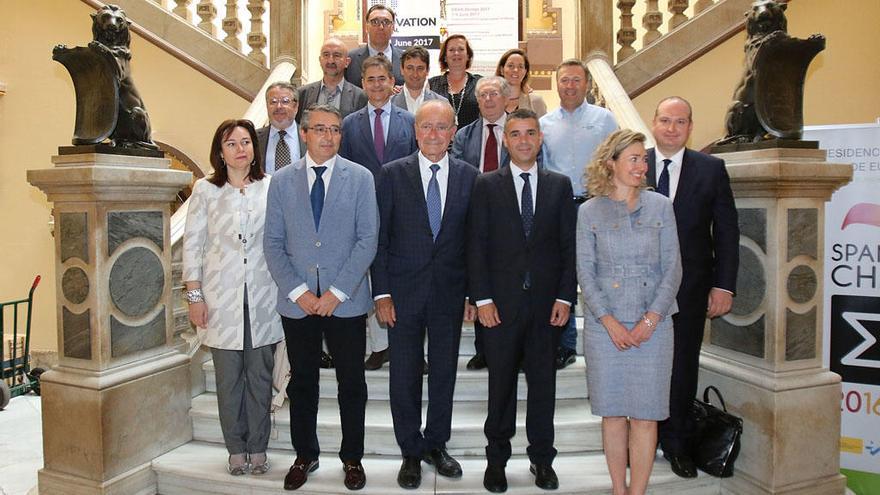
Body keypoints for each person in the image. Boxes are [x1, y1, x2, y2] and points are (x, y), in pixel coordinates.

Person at [263, 104, 379, 491]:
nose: (328, 136)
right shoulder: (280, 181)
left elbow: (367, 240)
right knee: (303, 383)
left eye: (334, 130)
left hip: (345, 302)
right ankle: (305, 454)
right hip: (298, 305)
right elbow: (273, 243)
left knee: (352, 384)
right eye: (320, 129)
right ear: (304, 133)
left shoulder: (360, 178)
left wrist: (336, 292)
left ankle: (352, 459)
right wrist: (299, 292)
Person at [468, 109, 576, 493]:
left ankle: (542, 460)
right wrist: (481, 299)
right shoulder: (485, 185)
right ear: (506, 140)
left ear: (540, 138)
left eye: (531, 133)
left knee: (543, 388)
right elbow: (476, 247)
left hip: (548, 308)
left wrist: (566, 296)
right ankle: (496, 460)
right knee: (501, 388)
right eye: (516, 134)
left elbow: (568, 248)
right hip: (500, 307)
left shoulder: (560, 186)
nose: (524, 140)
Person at [371, 99, 478, 489]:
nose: (434, 135)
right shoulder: (391, 174)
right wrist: (380, 292)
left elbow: (474, 242)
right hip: (401, 294)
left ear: (453, 133)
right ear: (416, 132)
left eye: (442, 127)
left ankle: (436, 443)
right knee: (404, 374)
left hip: (450, 293)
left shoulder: (470, 176)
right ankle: (410, 451)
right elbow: (379, 239)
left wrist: (473, 293)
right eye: (427, 127)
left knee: (445, 373)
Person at [576, 129, 683, 495]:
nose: (642, 165)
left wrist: (650, 320)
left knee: (645, 415)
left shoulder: (662, 207)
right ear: (612, 164)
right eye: (634, 158)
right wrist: (609, 322)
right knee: (613, 414)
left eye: (644, 159)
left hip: (654, 327)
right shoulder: (589, 211)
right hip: (604, 329)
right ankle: (618, 490)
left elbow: (673, 269)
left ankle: (637, 491)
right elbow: (585, 273)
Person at [183, 119, 283, 477]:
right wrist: (195, 296)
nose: (241, 149)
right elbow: (192, 246)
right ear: (220, 152)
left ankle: (258, 447)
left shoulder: (271, 187)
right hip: (220, 299)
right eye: (232, 143)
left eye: (246, 142)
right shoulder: (205, 191)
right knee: (228, 382)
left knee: (259, 378)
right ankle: (235, 449)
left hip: (263, 297)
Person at [647, 96, 739, 479]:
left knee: (682, 367)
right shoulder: (633, 163)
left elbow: (727, 232)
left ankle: (678, 444)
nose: (672, 128)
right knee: (645, 367)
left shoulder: (711, 169)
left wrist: (724, 286)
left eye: (680, 121)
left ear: (690, 127)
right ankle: (643, 440)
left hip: (691, 288)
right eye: (665, 120)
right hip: (640, 289)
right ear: (653, 123)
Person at [339, 55, 418, 370]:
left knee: (402, 279)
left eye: (381, 78)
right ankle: (378, 347)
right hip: (362, 213)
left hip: (402, 212)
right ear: (363, 84)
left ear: (392, 82)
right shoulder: (348, 124)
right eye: (370, 79)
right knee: (368, 279)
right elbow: (342, 172)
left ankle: (409, 348)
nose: (376, 84)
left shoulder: (410, 122)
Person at [541, 58, 618, 370]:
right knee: (563, 273)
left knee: (599, 272)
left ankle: (606, 338)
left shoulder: (605, 119)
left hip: (596, 203)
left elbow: (616, 160)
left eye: (575, 80)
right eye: (564, 80)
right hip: (559, 206)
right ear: (556, 84)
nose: (569, 86)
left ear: (586, 84)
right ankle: (566, 343)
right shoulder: (544, 124)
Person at [450, 75, 512, 371]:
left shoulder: (519, 130)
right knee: (479, 281)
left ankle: (511, 346)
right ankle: (482, 349)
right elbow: (459, 174)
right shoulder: (464, 135)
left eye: (493, 94)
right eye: (483, 95)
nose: (488, 100)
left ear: (505, 98)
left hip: (512, 217)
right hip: (476, 216)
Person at [295, 37, 368, 124]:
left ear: (347, 62)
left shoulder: (361, 97)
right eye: (326, 55)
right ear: (320, 60)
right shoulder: (302, 94)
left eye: (336, 55)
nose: (330, 60)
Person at [428, 34, 482, 128]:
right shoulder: (432, 84)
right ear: (445, 57)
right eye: (451, 50)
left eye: (461, 49)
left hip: (472, 140)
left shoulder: (479, 83)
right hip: (440, 140)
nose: (456, 53)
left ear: (468, 55)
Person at [345, 4, 404, 88]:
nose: (381, 27)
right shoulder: (350, 59)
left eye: (386, 22)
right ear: (366, 27)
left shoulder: (405, 59)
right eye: (375, 22)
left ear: (393, 27)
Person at [257, 82, 304, 175]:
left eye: (285, 101)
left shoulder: (310, 137)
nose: (279, 106)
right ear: (267, 106)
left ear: (296, 106)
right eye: (273, 102)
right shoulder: (254, 138)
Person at [391, 45, 443, 113]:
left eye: (420, 68)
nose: (415, 74)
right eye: (410, 68)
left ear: (427, 71)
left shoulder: (442, 104)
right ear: (402, 70)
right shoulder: (388, 104)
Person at [496, 48, 547, 118]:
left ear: (525, 71)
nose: (516, 70)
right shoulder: (491, 100)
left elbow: (544, 128)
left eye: (520, 66)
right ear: (502, 70)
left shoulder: (536, 101)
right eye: (511, 66)